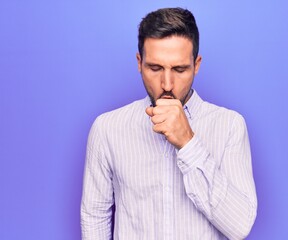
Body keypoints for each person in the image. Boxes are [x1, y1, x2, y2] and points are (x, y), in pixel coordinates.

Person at [81, 7, 257, 240]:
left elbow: (239, 226)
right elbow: (95, 215)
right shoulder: (107, 129)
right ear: (139, 62)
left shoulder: (230, 126)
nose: (166, 84)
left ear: (196, 65)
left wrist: (188, 143)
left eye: (179, 69)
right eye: (155, 68)